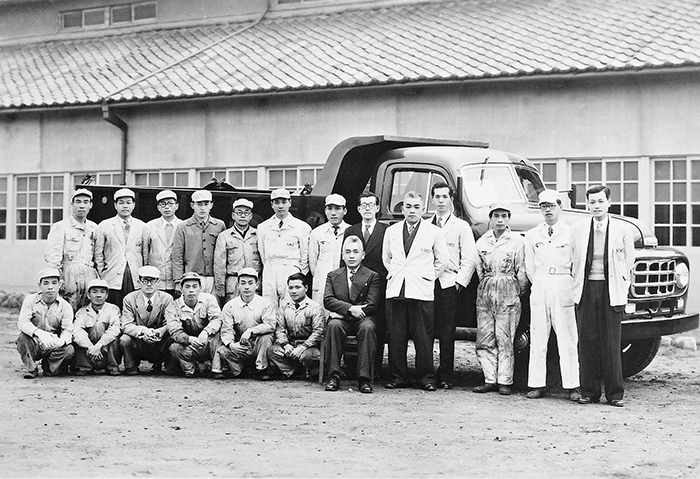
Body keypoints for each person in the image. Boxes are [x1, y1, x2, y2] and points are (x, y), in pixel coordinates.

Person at [573, 185, 634, 408]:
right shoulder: (578, 229)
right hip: (587, 289)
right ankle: (589, 392)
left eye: (600, 201)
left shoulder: (622, 229)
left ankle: (615, 394)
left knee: (610, 343)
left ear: (609, 202)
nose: (596, 206)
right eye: (592, 202)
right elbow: (573, 260)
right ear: (587, 204)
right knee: (587, 341)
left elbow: (629, 261)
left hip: (611, 291)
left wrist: (622, 283)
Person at [382, 191, 448, 391]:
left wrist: (426, 276)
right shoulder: (391, 231)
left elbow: (442, 260)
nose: (412, 210)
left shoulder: (434, 231)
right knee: (396, 336)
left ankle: (426, 377)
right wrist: (400, 274)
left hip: (421, 290)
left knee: (423, 336)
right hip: (397, 289)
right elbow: (387, 258)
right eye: (408, 206)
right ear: (402, 209)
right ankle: (398, 376)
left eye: (416, 207)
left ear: (423, 209)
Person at [524, 190, 580, 401]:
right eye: (543, 206)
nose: (547, 210)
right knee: (538, 336)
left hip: (563, 283)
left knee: (567, 337)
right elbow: (529, 266)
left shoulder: (570, 233)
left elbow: (576, 262)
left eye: (551, 206)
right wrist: (539, 282)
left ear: (560, 207)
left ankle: (573, 385)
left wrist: (569, 285)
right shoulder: (532, 235)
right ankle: (537, 384)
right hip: (540, 284)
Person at [473, 203, 528, 396]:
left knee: (505, 338)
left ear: (509, 219)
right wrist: (488, 285)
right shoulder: (482, 242)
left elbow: (522, 271)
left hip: (508, 291)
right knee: (485, 338)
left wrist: (513, 291)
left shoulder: (516, 241)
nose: (500, 220)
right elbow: (479, 269)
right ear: (490, 218)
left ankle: (505, 380)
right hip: (487, 290)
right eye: (496, 216)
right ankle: (489, 379)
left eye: (504, 216)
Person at [429, 182, 476, 389]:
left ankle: (446, 375)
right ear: (432, 199)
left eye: (444, 197)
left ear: (451, 200)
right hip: (427, 283)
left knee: (447, 332)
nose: (441, 201)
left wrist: (459, 283)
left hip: (449, 282)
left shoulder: (461, 226)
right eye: (437, 197)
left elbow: (469, 259)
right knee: (427, 330)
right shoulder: (426, 225)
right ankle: (427, 373)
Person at [323, 235, 382, 393]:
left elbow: (372, 304)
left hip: (363, 318)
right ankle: (334, 375)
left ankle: (364, 378)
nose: (351, 255)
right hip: (341, 320)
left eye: (355, 252)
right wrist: (351, 309)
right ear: (342, 255)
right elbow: (328, 300)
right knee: (333, 326)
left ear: (362, 255)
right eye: (347, 252)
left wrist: (344, 312)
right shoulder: (333, 275)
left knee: (368, 328)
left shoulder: (372, 276)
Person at [343, 191, 389, 376]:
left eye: (371, 204)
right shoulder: (351, 230)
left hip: (378, 286)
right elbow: (345, 259)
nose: (368, 208)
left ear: (378, 208)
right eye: (364, 205)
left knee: (376, 326)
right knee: (352, 321)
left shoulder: (386, 230)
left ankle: (374, 369)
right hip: (355, 285)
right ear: (359, 209)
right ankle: (351, 366)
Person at [211, 268, 277, 379]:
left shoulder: (265, 303)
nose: (247, 287)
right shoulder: (230, 306)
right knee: (223, 350)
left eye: (250, 283)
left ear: (257, 285)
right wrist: (232, 344)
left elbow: (270, 325)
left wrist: (251, 331)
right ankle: (239, 369)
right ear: (238, 286)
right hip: (240, 347)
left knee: (267, 337)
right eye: (243, 283)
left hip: (257, 345)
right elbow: (227, 329)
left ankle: (261, 369)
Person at [44, 188, 99, 311]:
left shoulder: (94, 228)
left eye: (86, 202)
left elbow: (98, 255)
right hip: (68, 274)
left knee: (87, 312)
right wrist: (57, 279)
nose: (82, 206)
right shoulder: (60, 227)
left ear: (91, 205)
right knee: (66, 310)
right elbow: (53, 256)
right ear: (72, 204)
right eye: (78, 201)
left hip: (89, 274)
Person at [16, 268, 75, 378]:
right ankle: (31, 368)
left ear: (59, 284)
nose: (50, 287)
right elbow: (23, 323)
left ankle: (49, 366)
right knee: (22, 338)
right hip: (35, 342)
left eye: (54, 283)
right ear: (39, 285)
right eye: (46, 283)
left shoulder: (65, 306)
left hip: (52, 344)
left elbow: (67, 330)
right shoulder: (30, 300)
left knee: (69, 349)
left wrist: (60, 341)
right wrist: (39, 333)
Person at [257, 188, 311, 306]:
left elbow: (305, 255)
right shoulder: (263, 227)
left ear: (290, 203)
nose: (280, 206)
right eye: (276, 202)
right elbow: (262, 252)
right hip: (270, 269)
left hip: (291, 268)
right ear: (272, 204)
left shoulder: (302, 227)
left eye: (284, 202)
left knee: (290, 304)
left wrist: (298, 273)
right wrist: (269, 267)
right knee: (269, 305)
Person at [94, 188, 146, 308]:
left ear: (133, 205)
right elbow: (98, 253)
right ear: (115, 205)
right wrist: (102, 271)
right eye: (121, 202)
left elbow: (145, 252)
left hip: (134, 273)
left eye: (128, 202)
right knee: (115, 307)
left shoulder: (142, 226)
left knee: (133, 307)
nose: (125, 206)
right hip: (113, 273)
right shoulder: (105, 225)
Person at [268, 273, 325, 379]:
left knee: (307, 356)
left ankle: (311, 371)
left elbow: (318, 332)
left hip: (309, 347)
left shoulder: (315, 307)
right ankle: (294, 371)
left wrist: (303, 347)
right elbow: (279, 329)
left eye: (298, 287)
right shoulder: (284, 307)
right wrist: (285, 345)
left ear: (306, 288)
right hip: (291, 345)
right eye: (291, 288)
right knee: (272, 351)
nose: (294, 291)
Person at [120, 265, 175, 375]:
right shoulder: (129, 298)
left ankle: (170, 366)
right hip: (140, 340)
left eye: (153, 280)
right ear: (139, 281)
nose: (149, 284)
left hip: (159, 341)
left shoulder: (167, 298)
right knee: (124, 339)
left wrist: (159, 332)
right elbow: (126, 325)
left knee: (173, 336)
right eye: (145, 280)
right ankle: (131, 366)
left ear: (158, 281)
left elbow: (170, 322)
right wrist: (143, 331)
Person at [166, 272, 222, 377]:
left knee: (219, 336)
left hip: (208, 341)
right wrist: (189, 339)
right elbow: (174, 331)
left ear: (200, 288)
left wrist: (206, 332)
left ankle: (216, 369)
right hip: (189, 345)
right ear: (181, 289)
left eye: (194, 286)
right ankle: (191, 369)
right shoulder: (173, 307)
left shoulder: (209, 300)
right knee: (174, 348)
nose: (191, 290)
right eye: (187, 287)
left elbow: (217, 319)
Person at [171, 189, 226, 295]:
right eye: (199, 204)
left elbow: (223, 255)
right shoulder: (183, 226)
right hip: (191, 277)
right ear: (192, 205)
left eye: (206, 204)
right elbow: (177, 256)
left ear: (211, 205)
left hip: (213, 278)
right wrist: (178, 280)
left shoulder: (219, 225)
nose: (202, 208)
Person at [213, 198, 262, 303]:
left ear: (251, 216)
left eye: (246, 212)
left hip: (254, 282)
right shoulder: (225, 236)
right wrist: (220, 286)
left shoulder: (259, 235)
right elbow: (219, 264)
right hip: (233, 281)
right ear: (233, 215)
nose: (243, 216)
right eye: (239, 212)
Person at [72, 278, 122, 376]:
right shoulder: (81, 312)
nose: (98, 295)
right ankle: (85, 367)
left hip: (106, 350)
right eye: (94, 292)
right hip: (89, 352)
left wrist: (99, 346)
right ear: (88, 295)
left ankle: (112, 367)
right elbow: (77, 332)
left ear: (107, 295)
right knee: (79, 338)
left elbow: (115, 329)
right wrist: (91, 347)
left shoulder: (113, 309)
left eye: (102, 292)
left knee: (115, 337)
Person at [309, 194, 349, 306]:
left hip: (343, 281)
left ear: (344, 210)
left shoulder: (350, 231)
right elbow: (313, 262)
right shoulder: (317, 233)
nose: (333, 213)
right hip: (322, 280)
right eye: (329, 208)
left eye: (337, 208)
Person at [143, 190, 183, 298]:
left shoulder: (183, 226)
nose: (167, 207)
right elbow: (145, 255)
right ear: (158, 207)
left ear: (177, 206)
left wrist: (180, 280)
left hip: (176, 281)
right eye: (163, 204)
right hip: (156, 280)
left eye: (170, 203)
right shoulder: (149, 226)